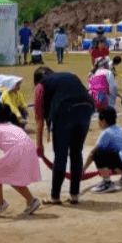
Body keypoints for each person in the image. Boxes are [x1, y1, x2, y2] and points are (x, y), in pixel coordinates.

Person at [33, 67, 95, 204]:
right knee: (76, 152)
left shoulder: (41, 85)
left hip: (64, 111)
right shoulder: (71, 75)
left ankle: (55, 196)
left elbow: (39, 120)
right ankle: (74, 195)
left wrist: (39, 145)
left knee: (61, 154)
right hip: (86, 108)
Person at [83, 107, 122, 194]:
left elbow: (93, 153)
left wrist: (82, 170)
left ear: (103, 121)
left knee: (98, 153)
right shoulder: (120, 129)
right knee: (109, 153)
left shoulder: (106, 132)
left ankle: (107, 183)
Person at [0, 103, 42, 216]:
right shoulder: (12, 126)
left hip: (19, 152)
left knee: (6, 175)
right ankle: (31, 201)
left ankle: (0, 204)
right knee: (10, 175)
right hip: (29, 150)